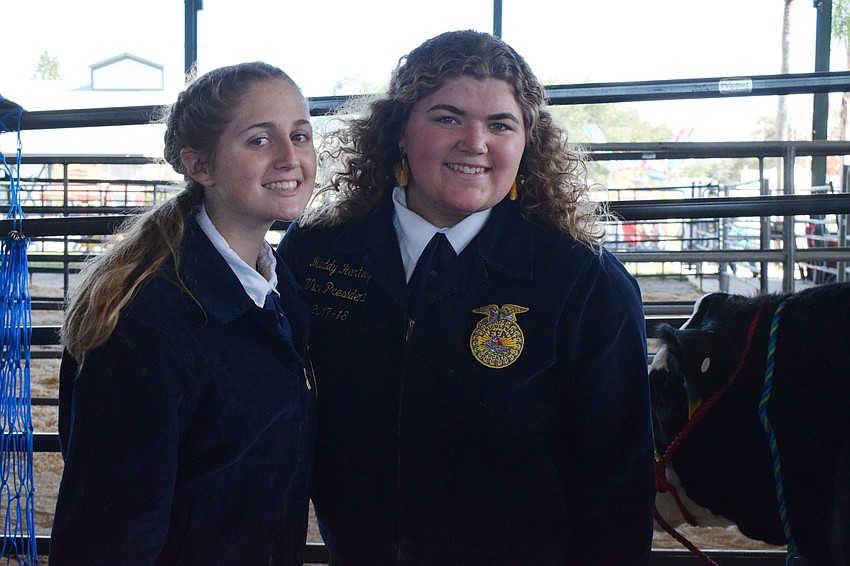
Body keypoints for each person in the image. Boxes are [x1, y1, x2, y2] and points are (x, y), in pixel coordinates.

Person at [278, 30, 656, 565]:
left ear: (527, 144)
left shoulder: (582, 281)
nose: (475, 142)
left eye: (500, 124)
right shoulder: (316, 253)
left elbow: (618, 476)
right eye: (447, 117)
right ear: (399, 132)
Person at [49, 61, 317, 565]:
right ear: (200, 166)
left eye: (300, 135)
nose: (289, 157)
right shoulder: (148, 324)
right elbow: (107, 535)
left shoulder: (276, 287)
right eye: (259, 140)